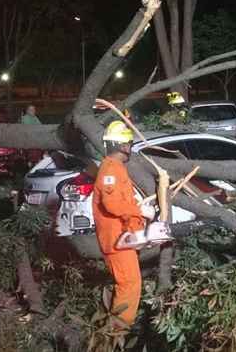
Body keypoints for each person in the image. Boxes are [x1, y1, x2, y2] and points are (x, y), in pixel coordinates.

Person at [93, 121, 155, 326]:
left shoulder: (115, 168)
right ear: (122, 146)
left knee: (129, 284)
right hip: (115, 240)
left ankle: (116, 331)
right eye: (128, 142)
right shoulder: (110, 169)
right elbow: (111, 203)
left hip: (123, 237)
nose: (130, 147)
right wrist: (139, 210)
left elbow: (123, 202)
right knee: (129, 284)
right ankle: (115, 336)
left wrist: (139, 221)